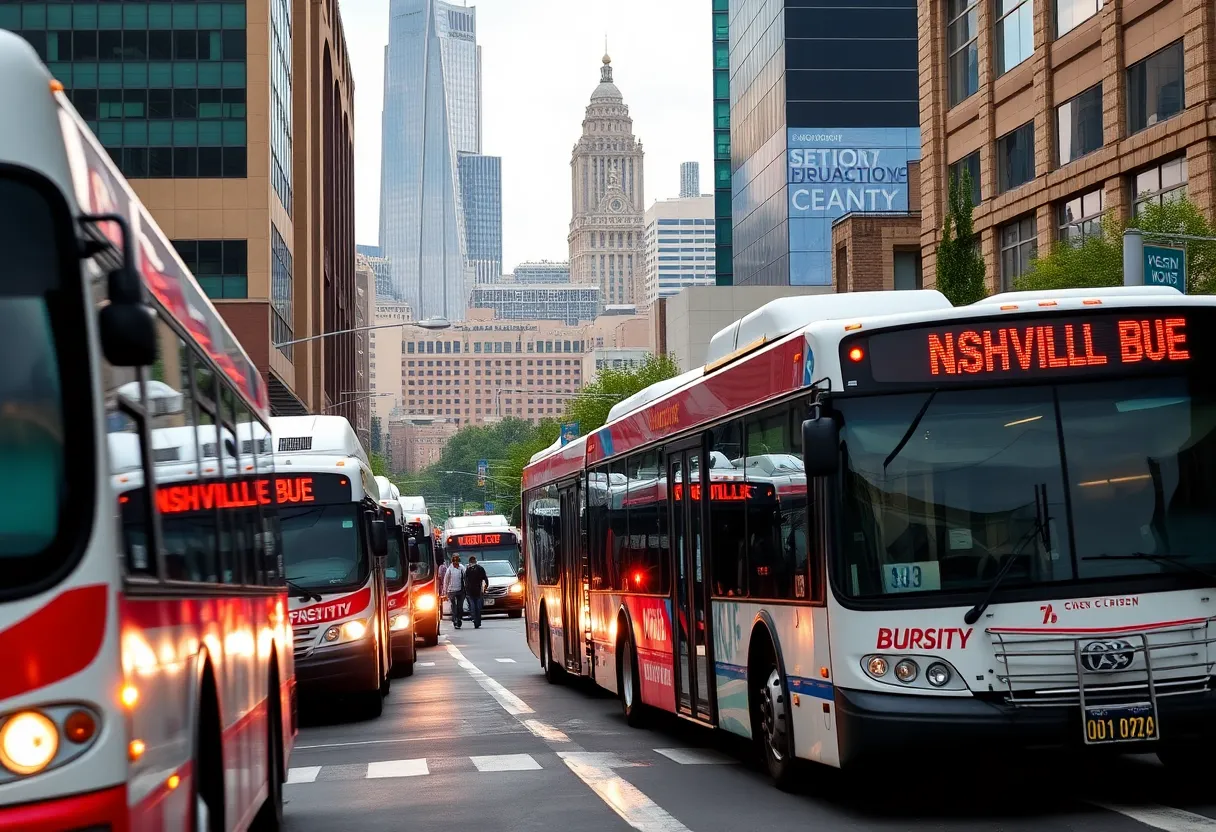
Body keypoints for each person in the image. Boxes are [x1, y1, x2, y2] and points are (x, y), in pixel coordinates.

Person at [464, 556, 489, 629]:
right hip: (478, 591)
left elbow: (465, 580)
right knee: (477, 607)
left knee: (473, 607)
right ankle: (477, 621)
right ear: (475, 561)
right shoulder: (480, 568)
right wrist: (486, 586)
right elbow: (485, 578)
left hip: (471, 592)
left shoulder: (468, 570)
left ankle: (475, 620)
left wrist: (466, 590)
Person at [442, 554, 467, 628]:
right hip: (451, 591)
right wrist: (445, 592)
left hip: (461, 590)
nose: (456, 563)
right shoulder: (449, 569)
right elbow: (446, 581)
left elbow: (465, 579)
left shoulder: (462, 568)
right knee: (454, 606)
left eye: (457, 562)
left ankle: (459, 619)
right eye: (454, 562)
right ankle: (455, 619)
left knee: (460, 606)